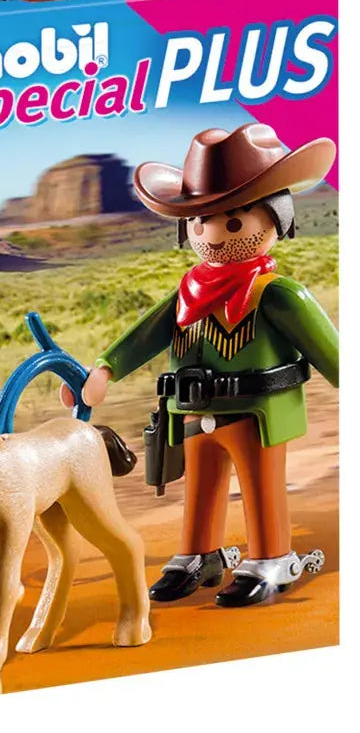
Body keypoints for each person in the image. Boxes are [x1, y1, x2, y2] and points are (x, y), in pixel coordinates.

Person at [62, 123, 338, 607]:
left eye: (231, 222)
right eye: (199, 221)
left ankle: (271, 558)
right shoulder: (188, 292)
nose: (210, 234)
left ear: (276, 217)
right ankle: (198, 555)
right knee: (201, 487)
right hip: (191, 412)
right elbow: (144, 335)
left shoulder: (277, 295)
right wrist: (103, 370)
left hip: (256, 414)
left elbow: (330, 351)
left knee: (260, 486)